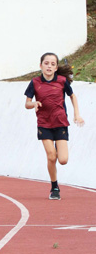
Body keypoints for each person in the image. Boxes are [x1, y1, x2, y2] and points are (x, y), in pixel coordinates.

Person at [24, 52, 84, 200]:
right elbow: (27, 103)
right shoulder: (35, 82)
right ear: (41, 66)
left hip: (60, 122)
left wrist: (77, 114)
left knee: (62, 160)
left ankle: (58, 146)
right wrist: (34, 103)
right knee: (51, 156)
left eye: (52, 64)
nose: (49, 66)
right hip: (44, 124)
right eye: (46, 63)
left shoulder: (62, 81)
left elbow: (72, 96)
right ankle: (54, 187)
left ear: (56, 67)